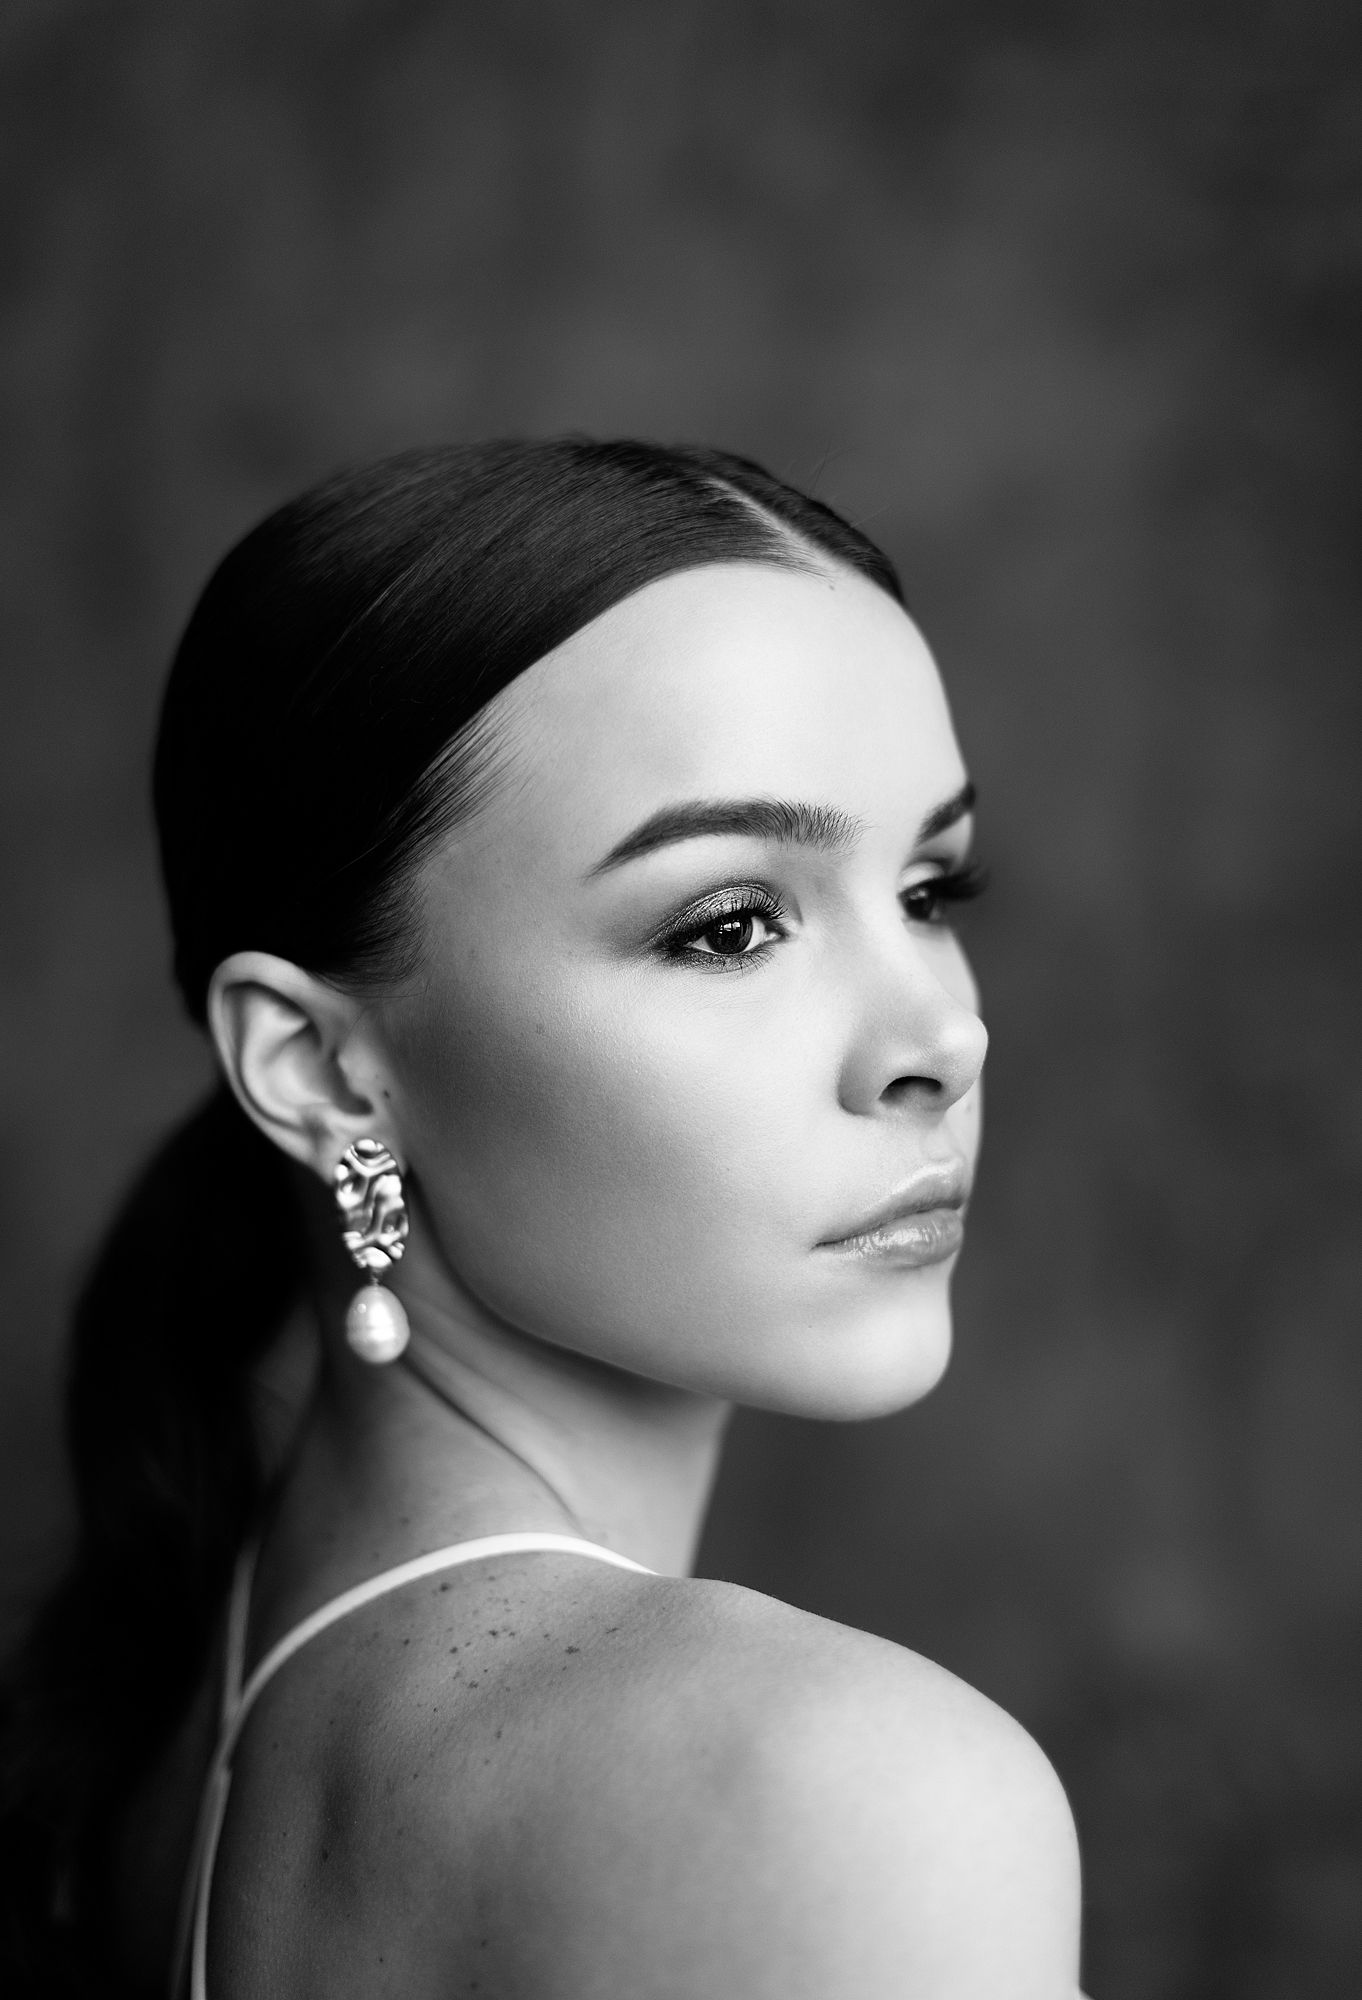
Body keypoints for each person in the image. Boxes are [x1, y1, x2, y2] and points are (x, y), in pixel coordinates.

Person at [0, 439, 1084, 1998]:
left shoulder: (180, 1733)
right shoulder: (836, 1793)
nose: (940, 1039)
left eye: (927, 890)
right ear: (320, 1069)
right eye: (729, 926)